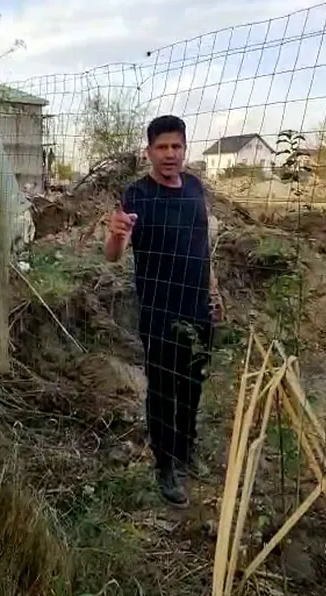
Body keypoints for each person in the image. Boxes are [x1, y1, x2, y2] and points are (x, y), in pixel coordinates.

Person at [104, 115, 223, 507]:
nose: (170, 154)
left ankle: (185, 450)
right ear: (149, 151)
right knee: (162, 391)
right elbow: (114, 255)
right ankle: (165, 466)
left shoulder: (194, 188)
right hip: (159, 312)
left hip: (197, 308)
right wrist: (116, 235)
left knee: (192, 386)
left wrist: (213, 292)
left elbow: (201, 248)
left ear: (185, 149)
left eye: (176, 146)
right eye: (162, 147)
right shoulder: (137, 195)